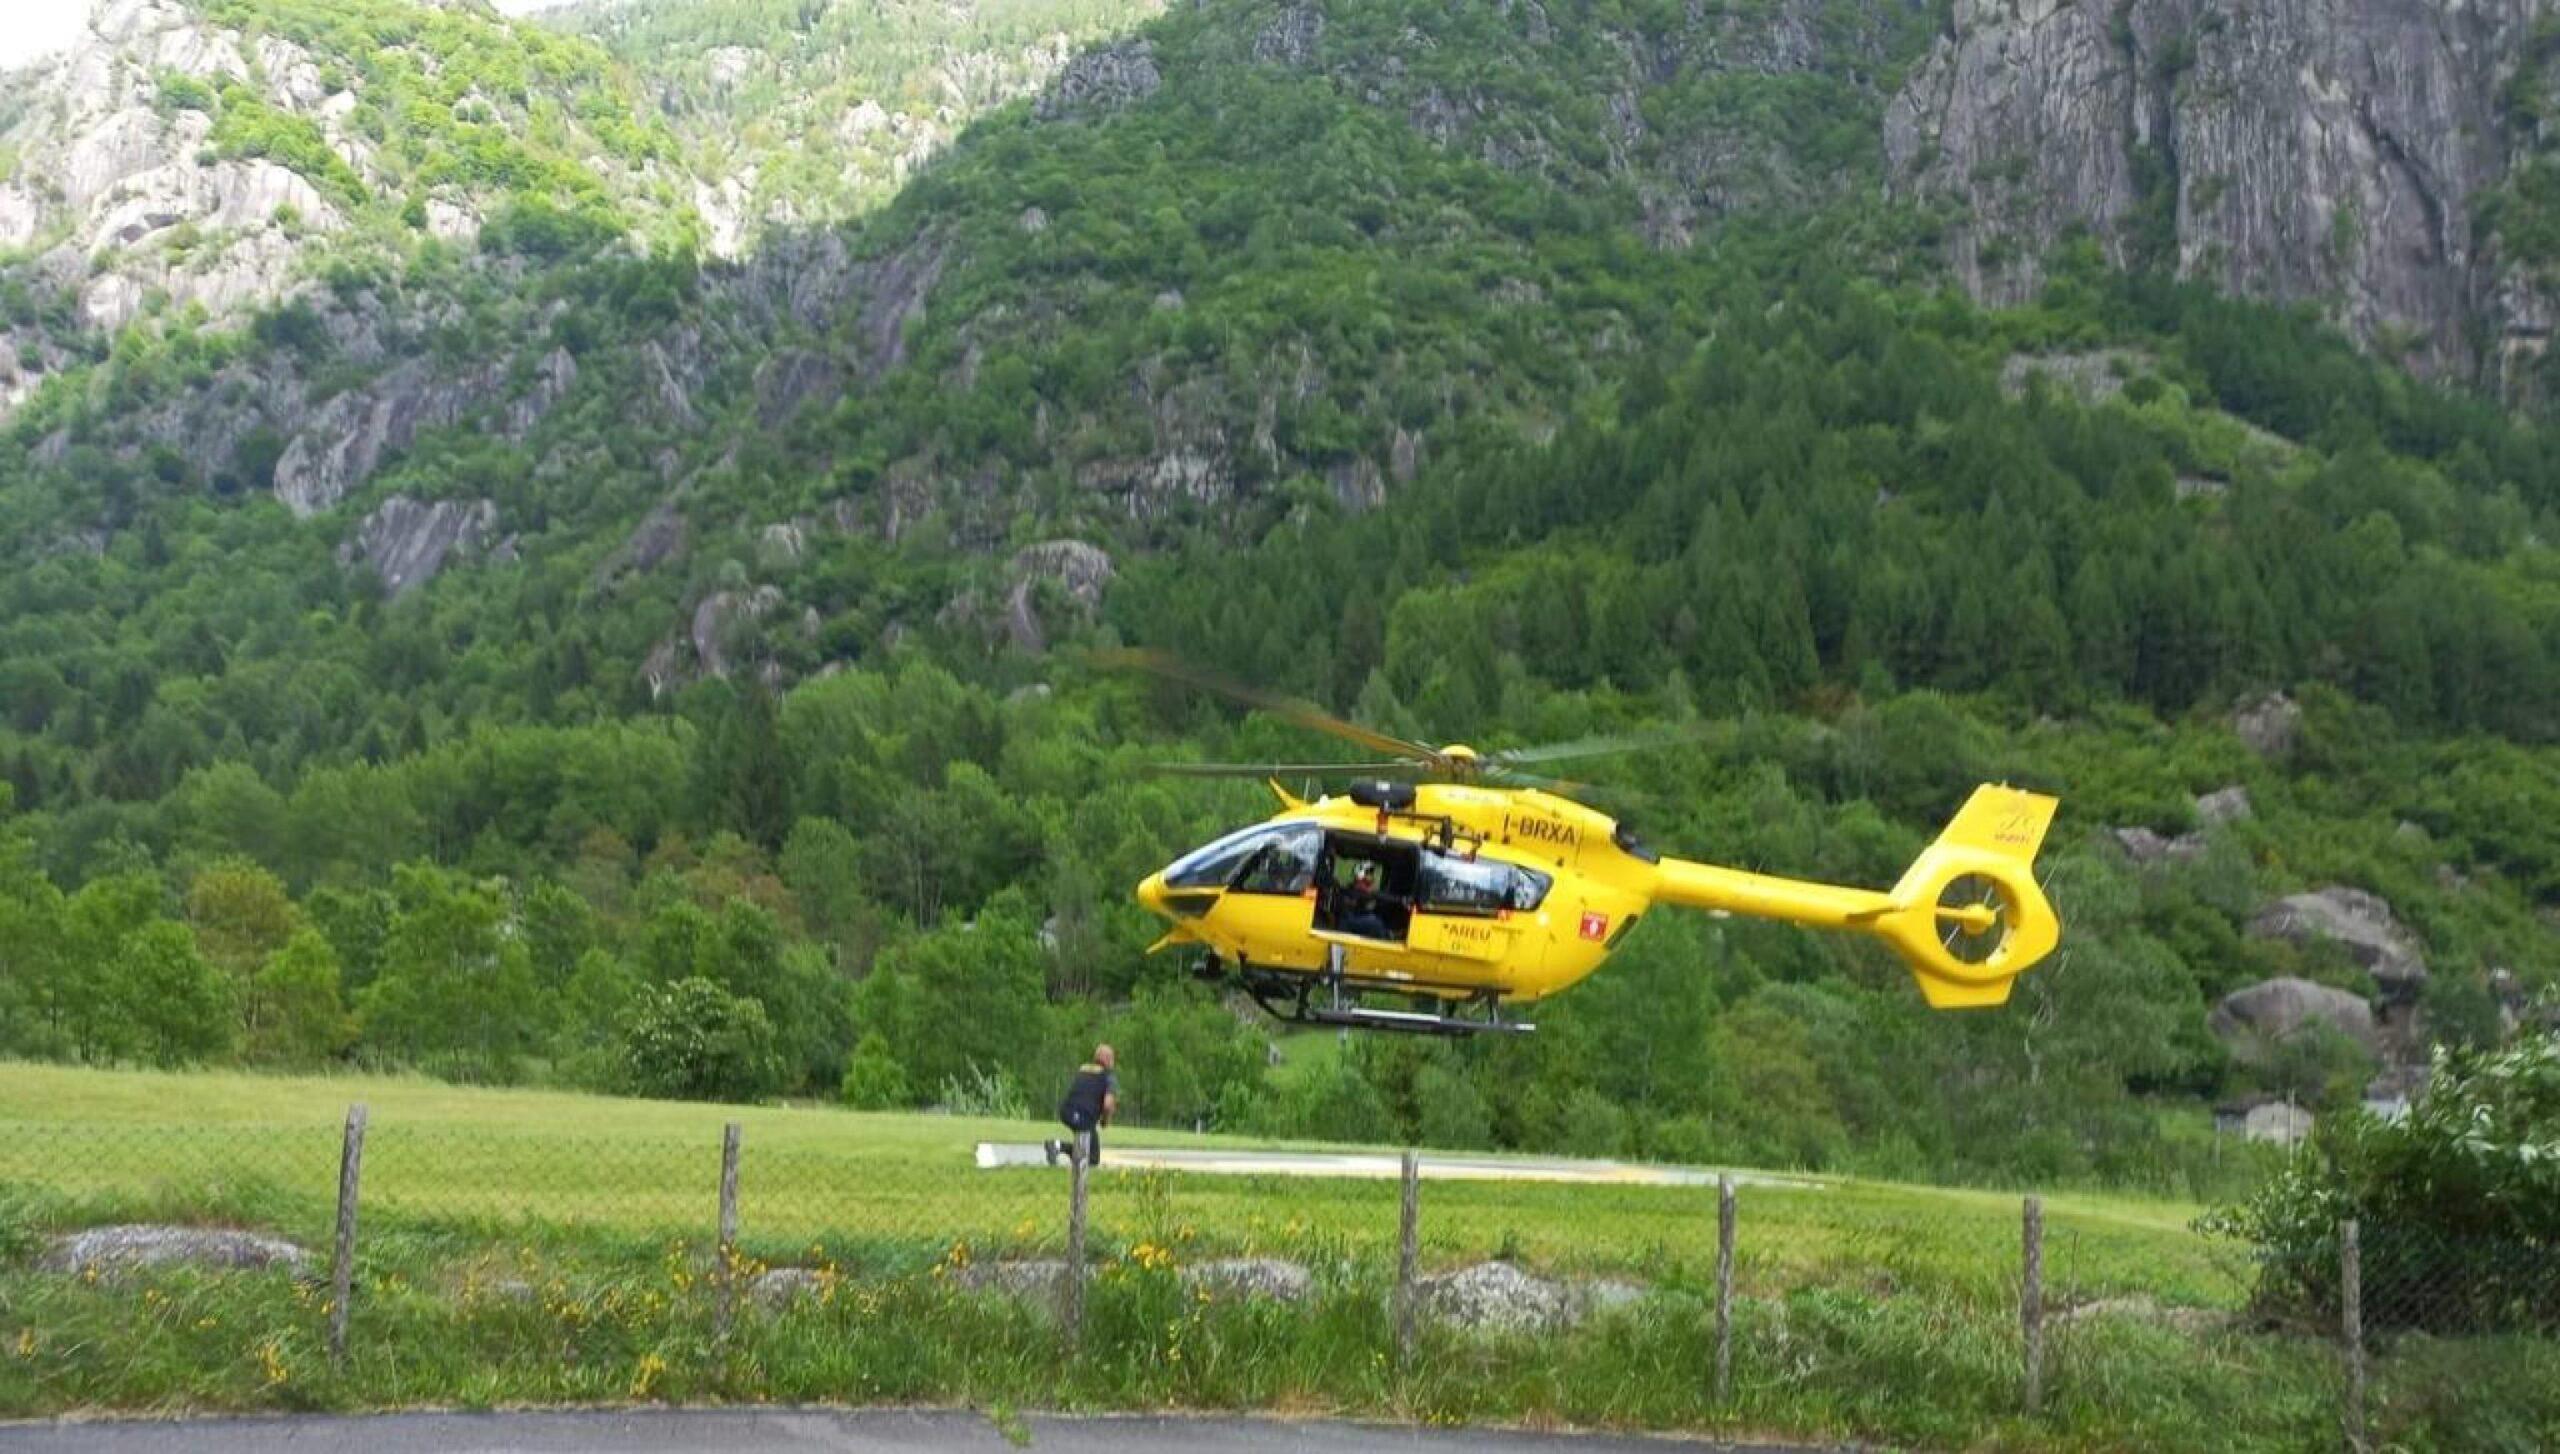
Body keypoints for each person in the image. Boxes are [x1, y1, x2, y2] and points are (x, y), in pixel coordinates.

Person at [1045, 1044, 1117, 1167]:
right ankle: (1058, 1146)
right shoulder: (1108, 1077)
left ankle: (1059, 1148)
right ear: (1108, 1059)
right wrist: (1105, 1120)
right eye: (1112, 1058)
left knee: (1086, 1149)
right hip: (1083, 1117)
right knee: (1093, 1158)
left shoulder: (1083, 1070)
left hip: (1066, 1112)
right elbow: (1107, 1104)